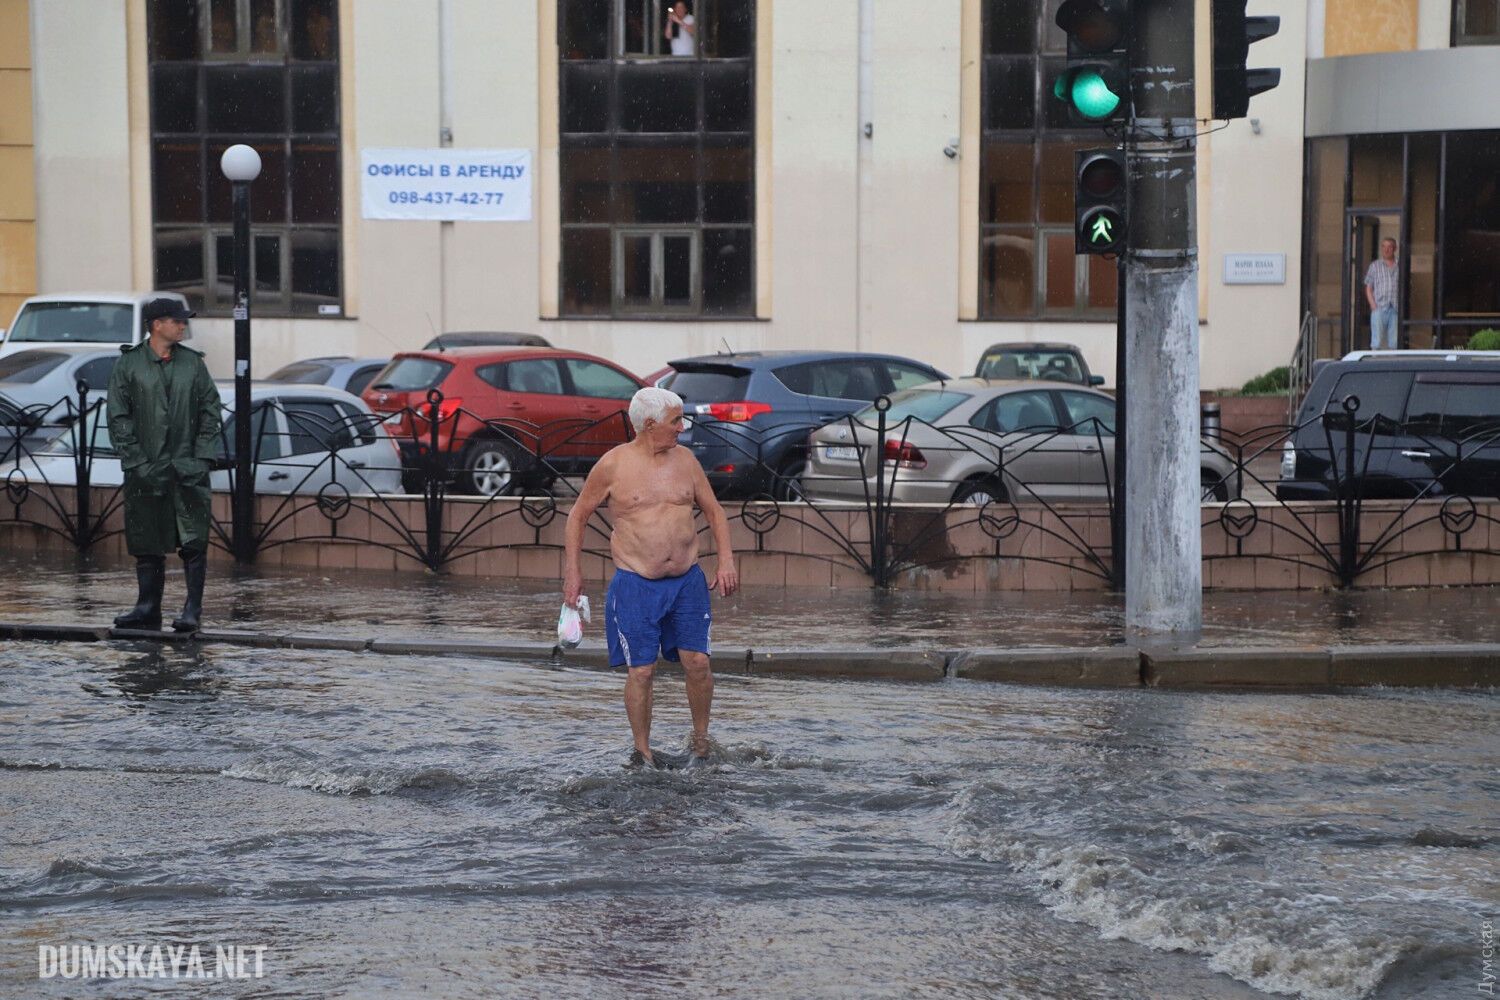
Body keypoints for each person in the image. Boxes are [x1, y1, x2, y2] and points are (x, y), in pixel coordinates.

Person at [562, 387, 738, 768]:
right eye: (676, 420)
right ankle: (643, 752)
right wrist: (573, 574)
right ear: (650, 424)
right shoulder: (613, 465)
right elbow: (577, 515)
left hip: (687, 582)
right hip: (635, 584)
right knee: (641, 670)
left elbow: (715, 512)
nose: (682, 427)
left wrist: (726, 561)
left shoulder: (686, 461)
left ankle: (701, 744)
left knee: (698, 664)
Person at [106, 299, 222, 634]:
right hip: (145, 468)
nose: (183, 326)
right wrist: (137, 460)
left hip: (189, 467)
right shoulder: (129, 365)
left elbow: (210, 410)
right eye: (177, 321)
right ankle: (147, 607)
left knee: (193, 539)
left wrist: (201, 456)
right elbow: (118, 416)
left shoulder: (193, 365)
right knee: (147, 539)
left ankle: (192, 610)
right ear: (157, 324)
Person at [1364, 237, 1400, 351]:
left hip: (1395, 308)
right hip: (1379, 307)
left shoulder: (1401, 265)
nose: (1386, 249)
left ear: (1395, 249)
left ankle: (1393, 366)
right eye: (1384, 246)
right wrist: (1373, 305)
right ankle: (1375, 365)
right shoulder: (1375, 266)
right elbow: (1368, 287)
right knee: (1376, 343)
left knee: (1394, 343)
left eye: (1389, 247)